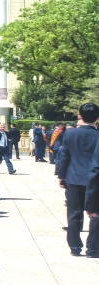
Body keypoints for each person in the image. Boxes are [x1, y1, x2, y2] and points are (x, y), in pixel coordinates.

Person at [57, 103, 99, 256]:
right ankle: (93, 248)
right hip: (96, 180)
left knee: (74, 214)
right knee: (96, 215)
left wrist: (62, 176)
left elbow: (64, 157)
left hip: (74, 178)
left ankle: (75, 246)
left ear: (80, 116)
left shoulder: (70, 134)